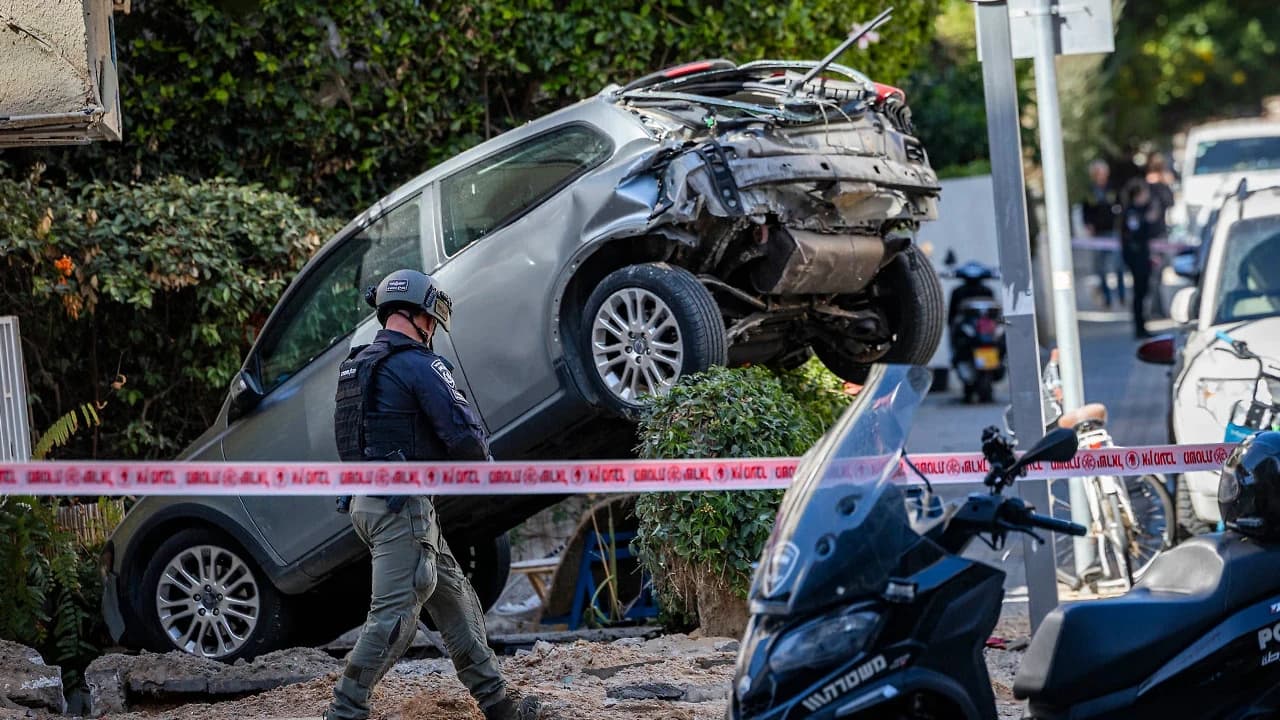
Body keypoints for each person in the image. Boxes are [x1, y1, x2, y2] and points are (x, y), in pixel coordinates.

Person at [325, 269, 541, 720]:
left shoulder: (356, 365)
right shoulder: (417, 364)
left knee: (456, 600)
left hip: (369, 505)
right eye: (432, 315)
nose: (434, 327)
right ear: (418, 312)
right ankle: (345, 711)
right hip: (402, 510)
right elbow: (464, 436)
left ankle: (498, 705)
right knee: (395, 619)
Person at [1121, 155, 1175, 339]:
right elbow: (1135, 234)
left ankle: (1143, 323)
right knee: (1139, 292)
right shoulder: (1133, 213)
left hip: (1141, 256)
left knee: (1144, 290)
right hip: (1137, 258)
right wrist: (1148, 221)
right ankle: (1139, 327)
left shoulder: (1138, 212)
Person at [1081, 159, 1124, 308]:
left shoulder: (1112, 188)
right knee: (1101, 268)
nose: (1101, 176)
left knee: (1118, 265)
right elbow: (1085, 210)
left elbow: (1120, 207)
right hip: (1098, 234)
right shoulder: (1090, 191)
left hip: (1113, 232)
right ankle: (1107, 299)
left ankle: (1122, 296)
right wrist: (1088, 225)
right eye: (1098, 173)